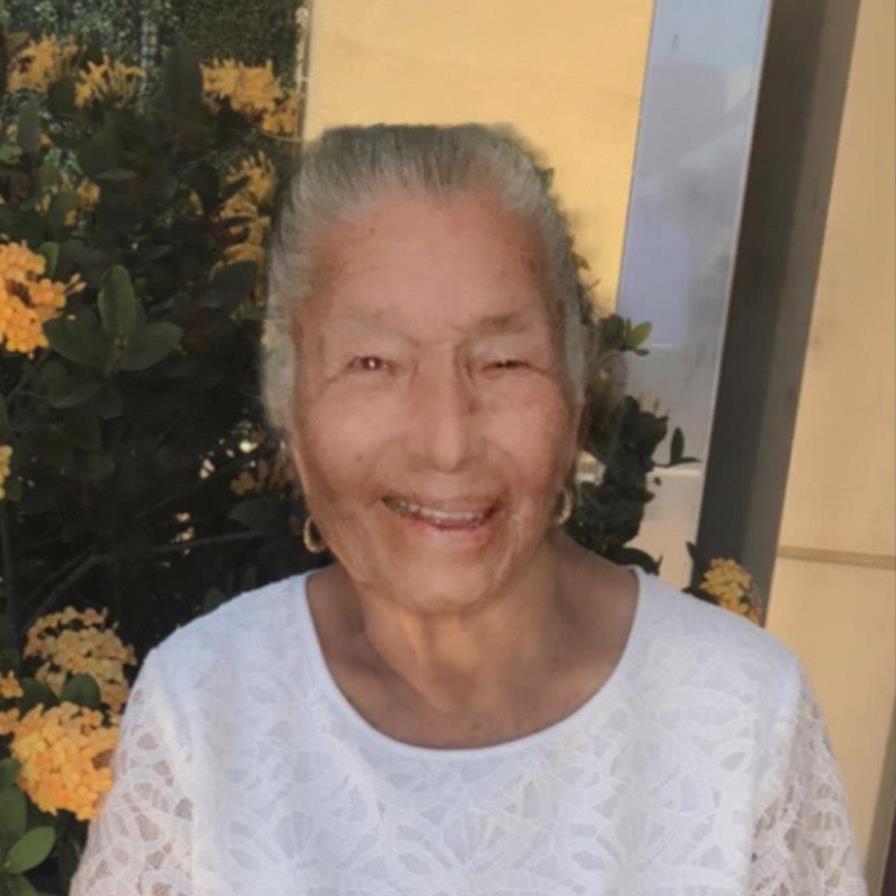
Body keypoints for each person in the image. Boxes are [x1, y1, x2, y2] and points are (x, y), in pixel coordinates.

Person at [70, 123, 868, 895]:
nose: (447, 443)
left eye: (503, 361)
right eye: (373, 362)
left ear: (576, 392)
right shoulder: (205, 706)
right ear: (291, 406)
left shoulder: (742, 714)